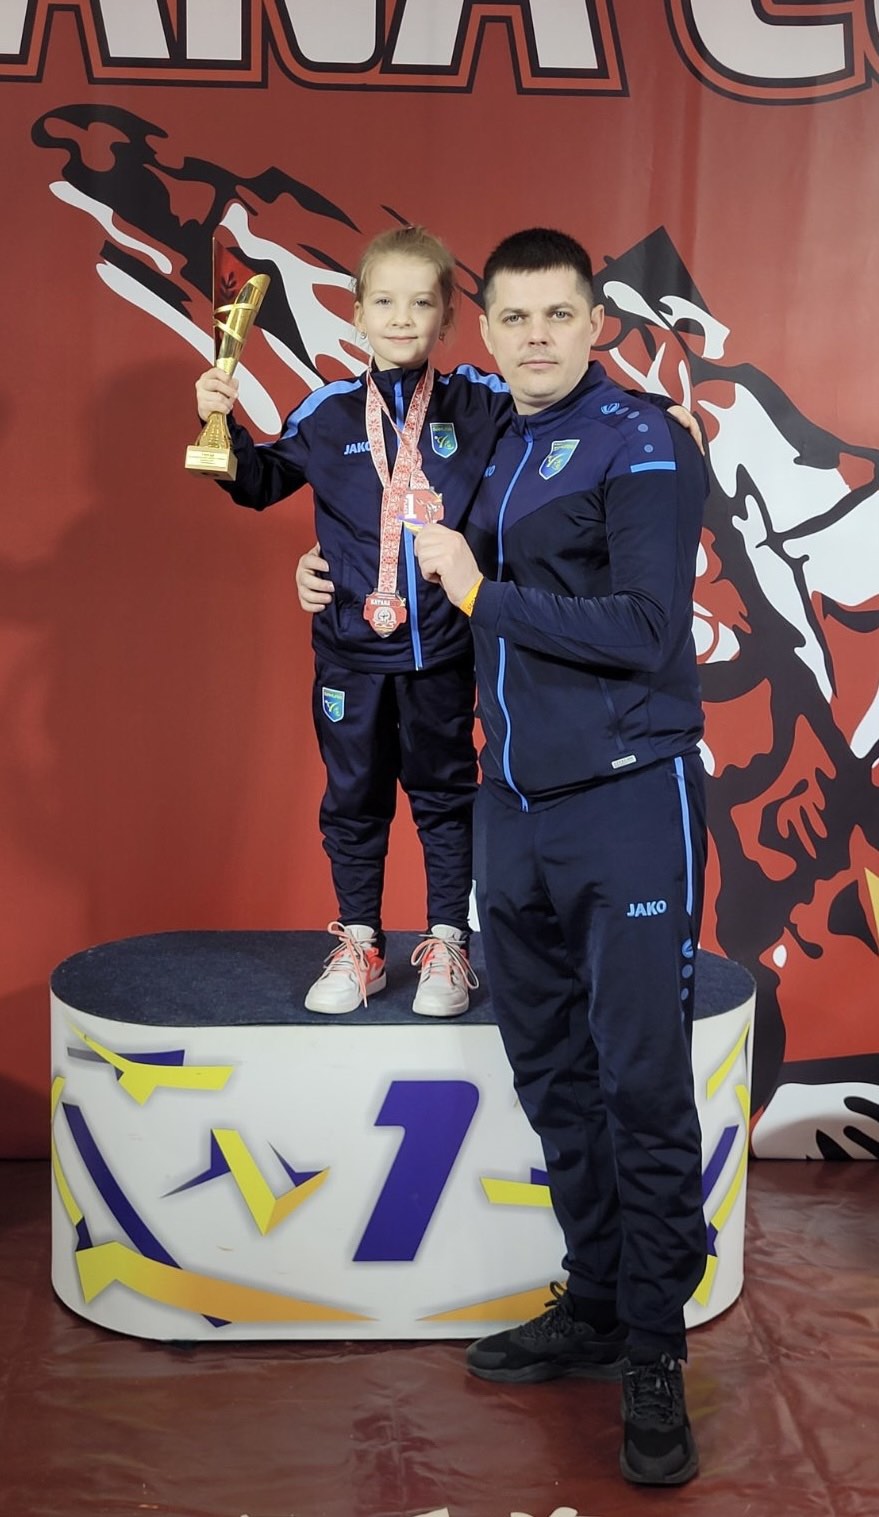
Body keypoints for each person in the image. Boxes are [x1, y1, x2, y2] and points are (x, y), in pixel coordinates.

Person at [409, 228, 709, 1489]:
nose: (536, 337)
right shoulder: (494, 436)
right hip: (514, 807)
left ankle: (655, 1345)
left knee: (641, 1081)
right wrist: (333, 577)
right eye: (514, 318)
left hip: (629, 796)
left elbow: (646, 628)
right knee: (553, 1073)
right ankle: (595, 1300)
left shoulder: (644, 439)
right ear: (486, 333)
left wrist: (481, 591)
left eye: (558, 315)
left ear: (596, 322)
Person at [194, 226, 511, 1017]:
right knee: (352, 799)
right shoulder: (329, 411)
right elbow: (261, 481)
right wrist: (221, 428)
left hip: (441, 650)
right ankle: (360, 943)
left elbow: (564, 405)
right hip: (348, 652)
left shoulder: (479, 402)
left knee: (444, 797)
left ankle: (446, 944)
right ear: (357, 313)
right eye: (384, 302)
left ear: (446, 317)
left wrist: (657, 415)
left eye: (420, 303)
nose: (401, 318)